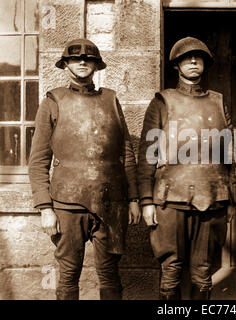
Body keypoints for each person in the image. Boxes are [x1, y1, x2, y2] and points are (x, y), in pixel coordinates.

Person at [28, 38, 141, 300]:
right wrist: (45, 208)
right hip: (68, 204)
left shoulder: (111, 99)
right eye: (75, 58)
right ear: (66, 64)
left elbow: (126, 153)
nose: (82, 62)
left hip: (111, 202)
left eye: (88, 59)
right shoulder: (53, 102)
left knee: (110, 273)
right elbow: (38, 161)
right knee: (68, 273)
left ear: (96, 65)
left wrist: (133, 198)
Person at [137, 37, 236, 300]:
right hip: (170, 201)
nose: (193, 62)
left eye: (199, 58)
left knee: (203, 271)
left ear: (205, 64)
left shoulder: (218, 102)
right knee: (171, 269)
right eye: (187, 58)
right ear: (177, 65)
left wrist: (232, 200)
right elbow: (147, 156)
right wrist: (147, 201)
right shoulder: (162, 101)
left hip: (213, 199)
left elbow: (232, 156)